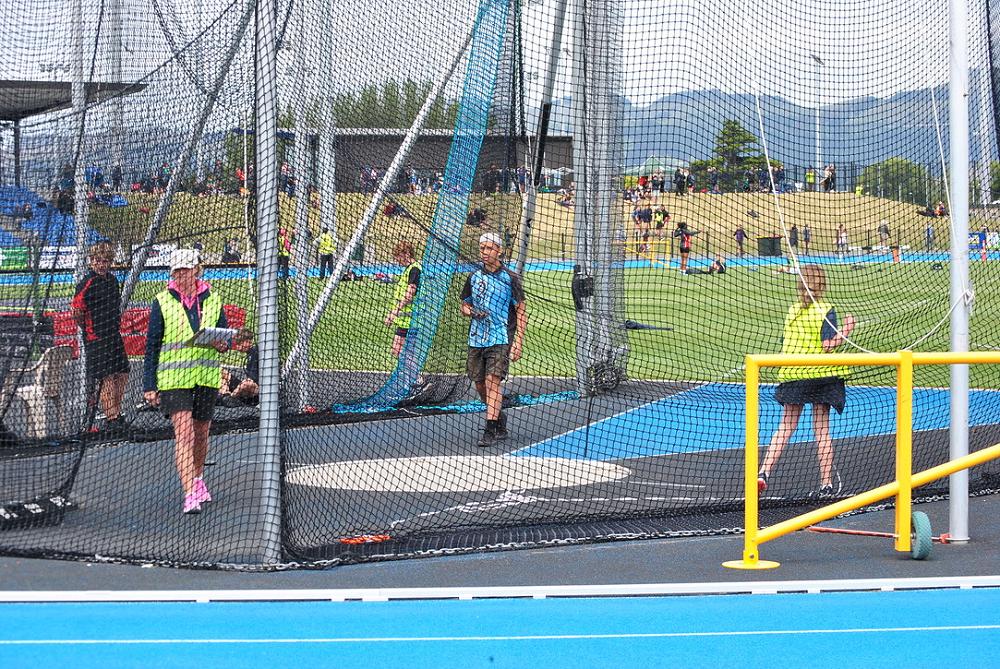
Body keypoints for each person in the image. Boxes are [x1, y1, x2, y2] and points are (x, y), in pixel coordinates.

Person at [142, 249, 230, 515]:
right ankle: (190, 493)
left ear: (196, 270)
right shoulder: (162, 301)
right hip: (173, 379)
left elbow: (224, 336)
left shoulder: (213, 298)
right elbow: (152, 345)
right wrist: (149, 385)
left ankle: (198, 478)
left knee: (201, 433)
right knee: (185, 434)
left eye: (185, 270)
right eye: (176, 271)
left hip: (205, 376)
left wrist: (222, 344)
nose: (180, 276)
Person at [758, 264, 856, 497]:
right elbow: (828, 345)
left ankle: (763, 472)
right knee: (821, 430)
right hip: (820, 375)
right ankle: (826, 484)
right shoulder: (825, 309)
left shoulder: (793, 311)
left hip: (794, 374)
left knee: (785, 426)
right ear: (822, 286)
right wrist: (847, 329)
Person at [460, 232, 526, 448]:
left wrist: (518, 342)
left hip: (500, 337)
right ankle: (498, 416)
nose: (485, 252)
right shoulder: (473, 277)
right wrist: (471, 312)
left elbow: (521, 311)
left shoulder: (510, 278)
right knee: (479, 384)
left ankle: (490, 429)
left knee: (492, 381)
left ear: (499, 251)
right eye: (482, 248)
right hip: (477, 338)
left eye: (489, 248)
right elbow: (464, 305)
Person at [71, 240, 130, 435]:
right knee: (106, 376)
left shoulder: (112, 281)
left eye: (105, 261)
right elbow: (77, 311)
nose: (101, 264)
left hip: (113, 334)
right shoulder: (87, 283)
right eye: (97, 260)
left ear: (110, 262)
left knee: (122, 371)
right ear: (91, 261)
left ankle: (116, 413)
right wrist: (89, 328)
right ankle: (112, 418)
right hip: (96, 337)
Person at [384, 240, 421, 358]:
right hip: (405, 321)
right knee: (397, 351)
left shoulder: (414, 269)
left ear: (406, 254)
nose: (397, 260)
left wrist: (394, 312)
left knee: (404, 354)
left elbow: (409, 294)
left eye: (398, 256)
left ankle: (412, 370)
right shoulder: (409, 269)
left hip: (411, 321)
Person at [219, 328, 258, 406]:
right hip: (244, 386)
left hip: (257, 390)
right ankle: (225, 395)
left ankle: (231, 398)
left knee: (247, 383)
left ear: (247, 342)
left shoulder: (256, 351)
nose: (237, 347)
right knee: (222, 371)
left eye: (239, 344)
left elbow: (251, 380)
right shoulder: (249, 353)